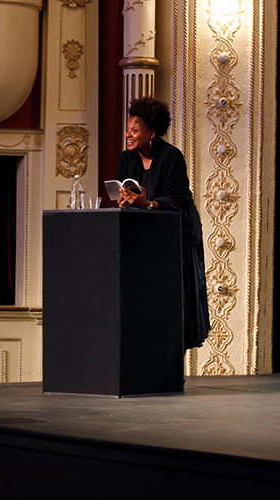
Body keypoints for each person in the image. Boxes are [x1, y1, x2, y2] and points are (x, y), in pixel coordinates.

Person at [117, 96, 210, 350]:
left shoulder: (171, 157)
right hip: (144, 238)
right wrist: (126, 201)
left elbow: (178, 200)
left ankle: (170, 372)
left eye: (135, 130)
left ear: (152, 133)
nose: (128, 135)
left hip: (177, 237)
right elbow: (126, 191)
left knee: (174, 305)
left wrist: (147, 204)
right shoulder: (127, 159)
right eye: (128, 130)